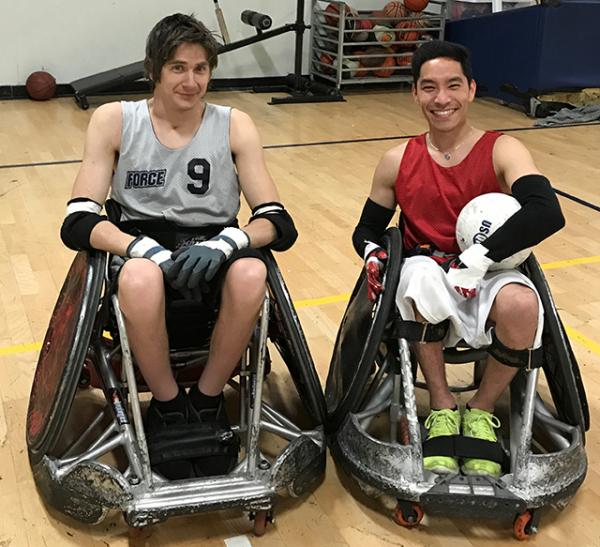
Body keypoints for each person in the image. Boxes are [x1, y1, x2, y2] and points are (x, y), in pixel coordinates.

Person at [60, 13, 297, 479]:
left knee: (253, 272)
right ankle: (167, 405)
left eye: (200, 69)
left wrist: (230, 241)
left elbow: (277, 221)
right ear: (153, 69)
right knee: (143, 276)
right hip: (140, 251)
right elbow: (78, 221)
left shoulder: (234, 124)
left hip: (214, 250)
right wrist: (143, 250)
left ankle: (208, 400)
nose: (191, 81)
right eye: (177, 68)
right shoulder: (115, 120)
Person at [352, 40, 564, 478]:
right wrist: (373, 255)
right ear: (414, 93)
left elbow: (547, 211)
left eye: (452, 86)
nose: (441, 99)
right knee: (418, 276)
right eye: (428, 88)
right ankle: (443, 406)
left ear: (470, 89)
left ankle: (482, 411)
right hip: (427, 272)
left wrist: (482, 257)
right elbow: (366, 231)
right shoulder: (396, 160)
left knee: (524, 306)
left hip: (490, 269)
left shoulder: (502, 150)